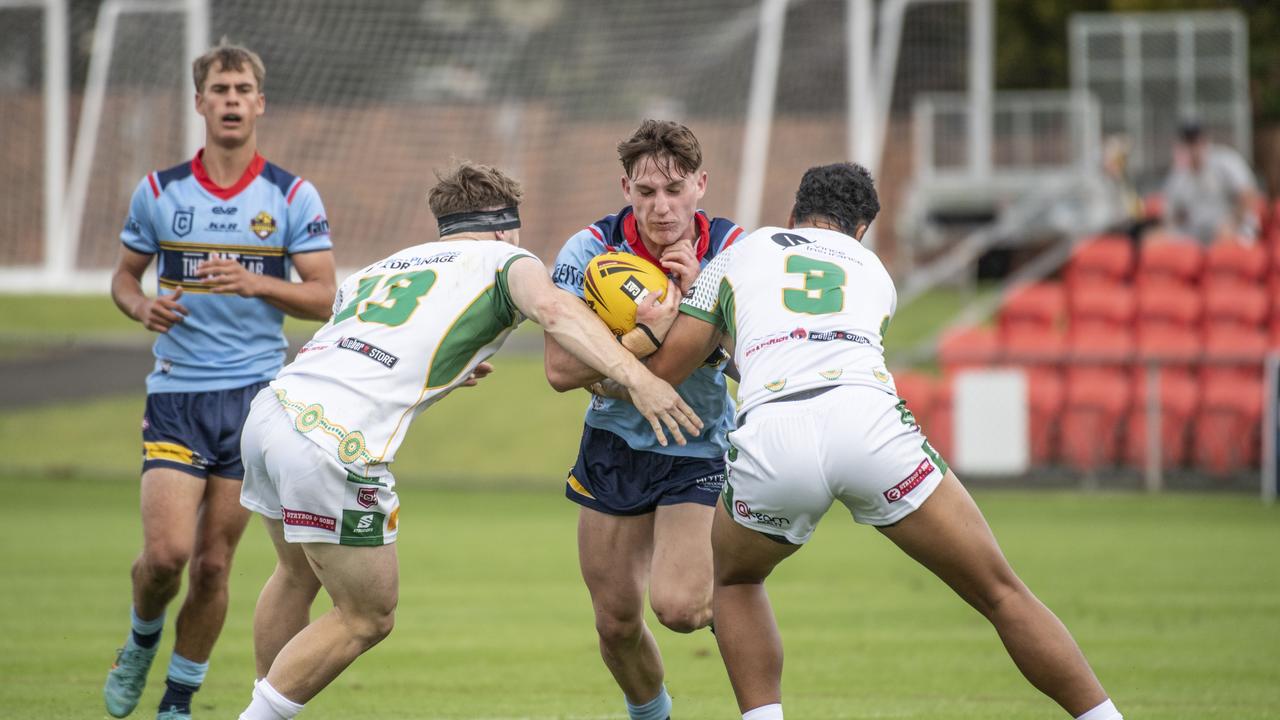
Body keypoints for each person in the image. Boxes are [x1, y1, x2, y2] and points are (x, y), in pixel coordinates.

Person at [600, 163, 1124, 720]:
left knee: (736, 579)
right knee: (1001, 592)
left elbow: (669, 369)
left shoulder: (736, 256)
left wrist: (659, 320)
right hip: (868, 421)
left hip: (776, 431)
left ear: (791, 215)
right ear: (862, 231)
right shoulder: (875, 273)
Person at [234, 161, 702, 720]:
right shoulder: (508, 258)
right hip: (333, 441)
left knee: (293, 574)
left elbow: (374, 344)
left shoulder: (382, 268)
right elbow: (554, 311)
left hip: (272, 412)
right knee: (366, 616)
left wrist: (453, 365)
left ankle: (267, 699)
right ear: (506, 227)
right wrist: (640, 376)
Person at [105, 41, 337, 720]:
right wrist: (142, 304)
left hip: (255, 401)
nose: (232, 100)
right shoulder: (159, 192)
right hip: (177, 391)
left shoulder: (292, 195)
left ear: (260, 103)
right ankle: (141, 642)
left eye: (243, 89)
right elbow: (123, 277)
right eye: (220, 89)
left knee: (213, 564)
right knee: (166, 556)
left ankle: (178, 700)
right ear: (200, 102)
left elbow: (325, 295)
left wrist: (254, 281)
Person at [545, 119, 743, 720]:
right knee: (615, 623)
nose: (662, 207)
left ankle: (739, 597)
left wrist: (697, 307)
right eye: (647, 191)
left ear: (701, 184)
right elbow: (559, 369)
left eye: (675, 189)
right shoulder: (590, 250)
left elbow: (752, 358)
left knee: (681, 609)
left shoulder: (733, 251)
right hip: (613, 445)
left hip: (697, 444)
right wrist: (649, 332)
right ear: (625, 186)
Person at [1162, 118, 1260, 245]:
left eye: (1195, 141)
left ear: (1204, 140)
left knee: (1227, 246)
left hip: (1234, 227)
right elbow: (1173, 215)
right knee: (1160, 245)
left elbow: (1248, 195)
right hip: (1196, 234)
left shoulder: (1225, 160)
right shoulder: (1178, 173)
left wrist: (1233, 222)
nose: (1192, 147)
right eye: (1188, 142)